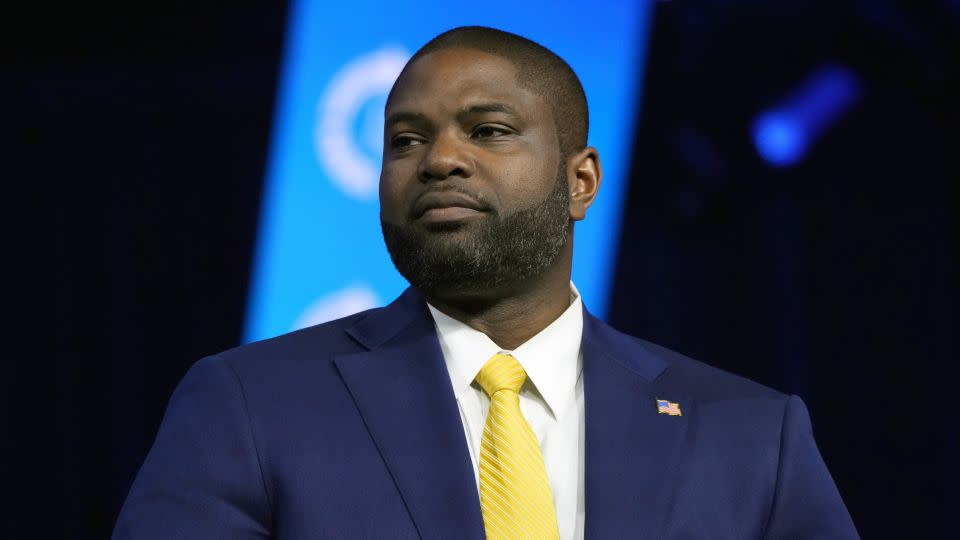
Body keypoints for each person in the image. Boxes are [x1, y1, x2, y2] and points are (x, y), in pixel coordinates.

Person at [113, 26, 858, 539]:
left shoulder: (752, 433)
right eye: (405, 140)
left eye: (489, 130)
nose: (438, 159)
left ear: (581, 181)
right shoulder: (246, 405)